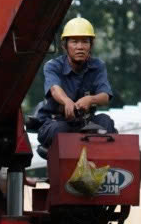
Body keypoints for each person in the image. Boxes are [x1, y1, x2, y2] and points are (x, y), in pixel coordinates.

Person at [31, 17, 116, 156]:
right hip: (55, 122)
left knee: (105, 122)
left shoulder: (98, 66)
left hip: (84, 124)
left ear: (91, 45)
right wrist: (66, 101)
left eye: (85, 42)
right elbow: (54, 89)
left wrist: (90, 100)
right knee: (61, 129)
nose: (80, 47)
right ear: (65, 46)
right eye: (74, 42)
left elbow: (105, 95)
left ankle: (101, 167)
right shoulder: (52, 66)